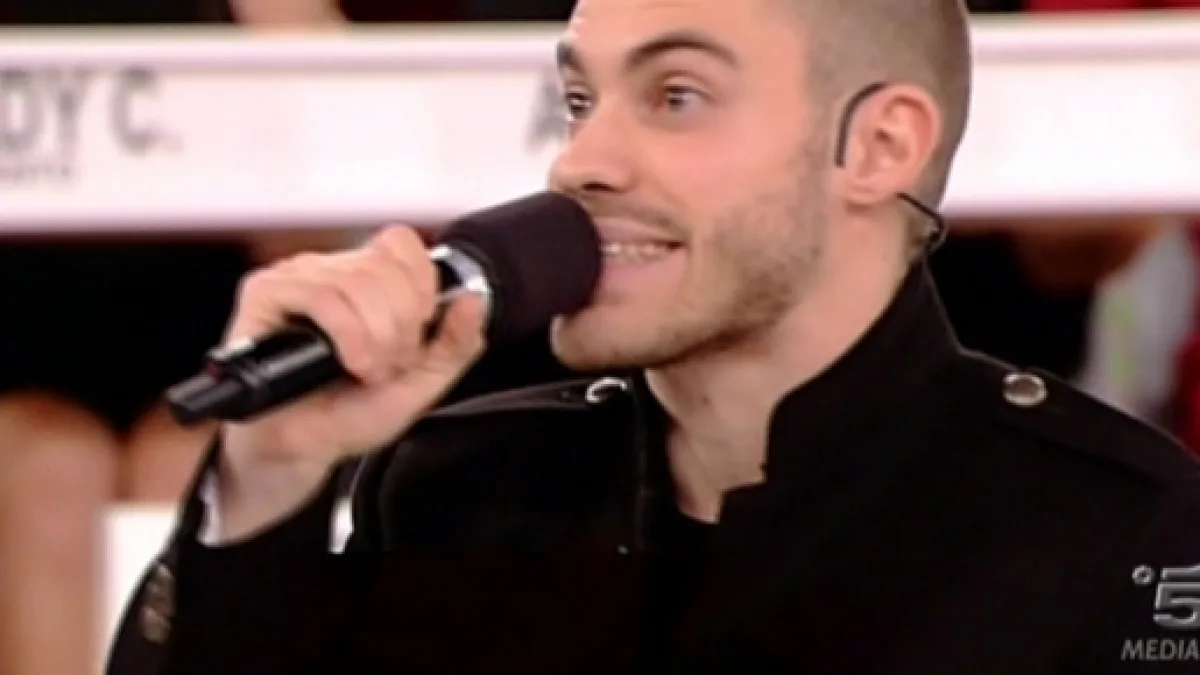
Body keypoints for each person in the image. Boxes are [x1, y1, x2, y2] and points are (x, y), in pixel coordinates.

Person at [106, 1, 1200, 674]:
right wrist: (270, 478)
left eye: (677, 96)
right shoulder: (461, 488)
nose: (580, 162)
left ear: (878, 147)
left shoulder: (1116, 526)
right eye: (582, 100)